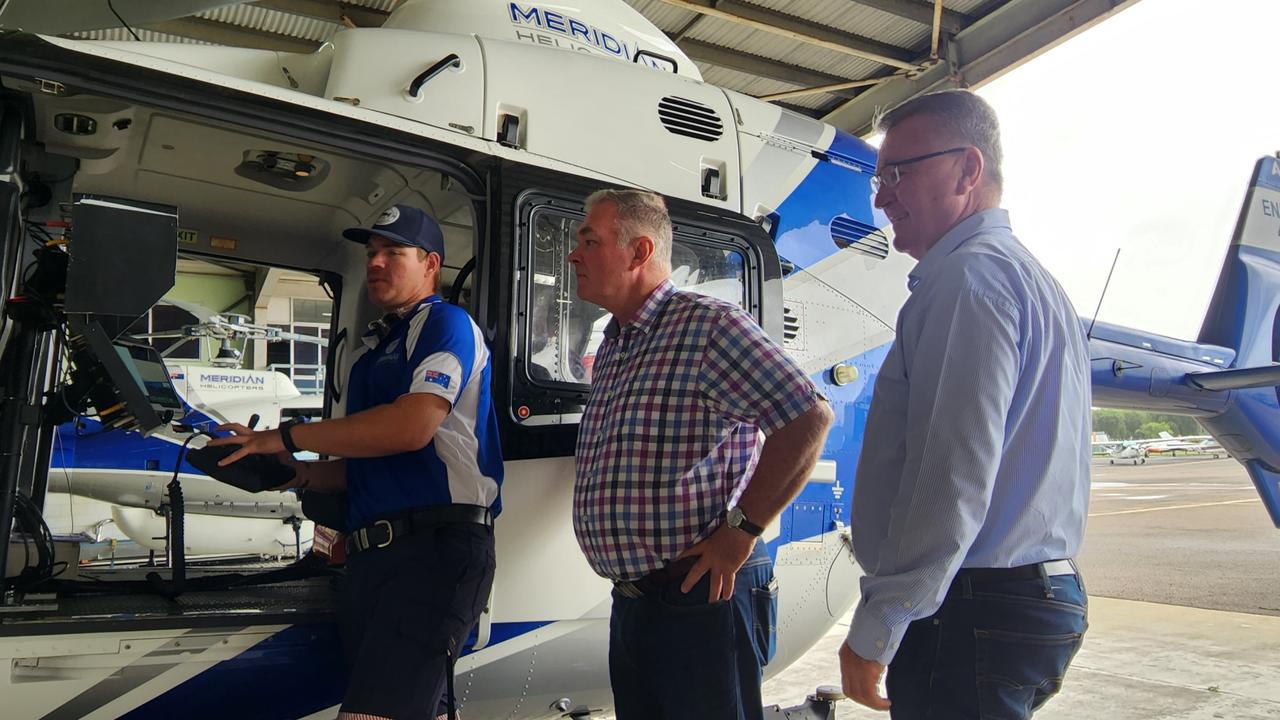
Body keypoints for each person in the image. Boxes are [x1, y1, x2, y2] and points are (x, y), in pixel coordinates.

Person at [838, 89, 1091, 718]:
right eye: (878, 177)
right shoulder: (1027, 278)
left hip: (974, 607)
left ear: (969, 170)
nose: (881, 196)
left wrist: (881, 623)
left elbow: (948, 476)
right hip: (1025, 597)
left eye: (898, 172)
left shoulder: (967, 279)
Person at [209, 204, 502, 720]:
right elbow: (366, 464)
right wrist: (293, 470)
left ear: (431, 264)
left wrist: (285, 436)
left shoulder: (444, 324)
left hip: (433, 553)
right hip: (375, 560)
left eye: (394, 252)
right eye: (372, 254)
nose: (377, 263)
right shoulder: (372, 354)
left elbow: (411, 429)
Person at [568, 189, 835, 720]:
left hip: (701, 594)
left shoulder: (707, 326)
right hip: (638, 602)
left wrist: (741, 530)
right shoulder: (619, 343)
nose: (575, 254)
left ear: (639, 252)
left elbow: (808, 417)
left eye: (590, 241)